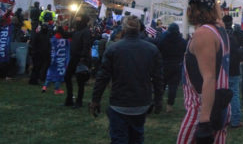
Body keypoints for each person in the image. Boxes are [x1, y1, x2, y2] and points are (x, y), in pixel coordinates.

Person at [89, 15, 164, 144]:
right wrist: (158, 100)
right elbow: (158, 78)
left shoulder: (113, 49)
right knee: (137, 137)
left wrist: (96, 100)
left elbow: (102, 77)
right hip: (141, 103)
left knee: (119, 138)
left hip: (119, 103)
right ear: (140, 29)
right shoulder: (151, 50)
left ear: (123, 30)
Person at [177, 0, 231, 144]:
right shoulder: (219, 30)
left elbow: (209, 77)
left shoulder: (204, 34)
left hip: (201, 109)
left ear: (197, 10)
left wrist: (204, 121)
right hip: (220, 105)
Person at [157, 23, 186, 113]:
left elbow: (158, 50)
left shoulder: (163, 40)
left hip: (165, 64)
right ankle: (169, 106)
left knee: (161, 85)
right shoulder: (182, 41)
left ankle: (159, 103)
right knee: (173, 87)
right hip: (177, 65)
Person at [65, 15, 91, 109]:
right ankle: (69, 99)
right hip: (74, 57)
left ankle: (79, 101)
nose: (77, 21)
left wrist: (83, 57)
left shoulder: (86, 31)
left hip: (81, 59)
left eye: (79, 19)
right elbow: (68, 35)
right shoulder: (77, 30)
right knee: (67, 77)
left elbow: (86, 45)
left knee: (80, 82)